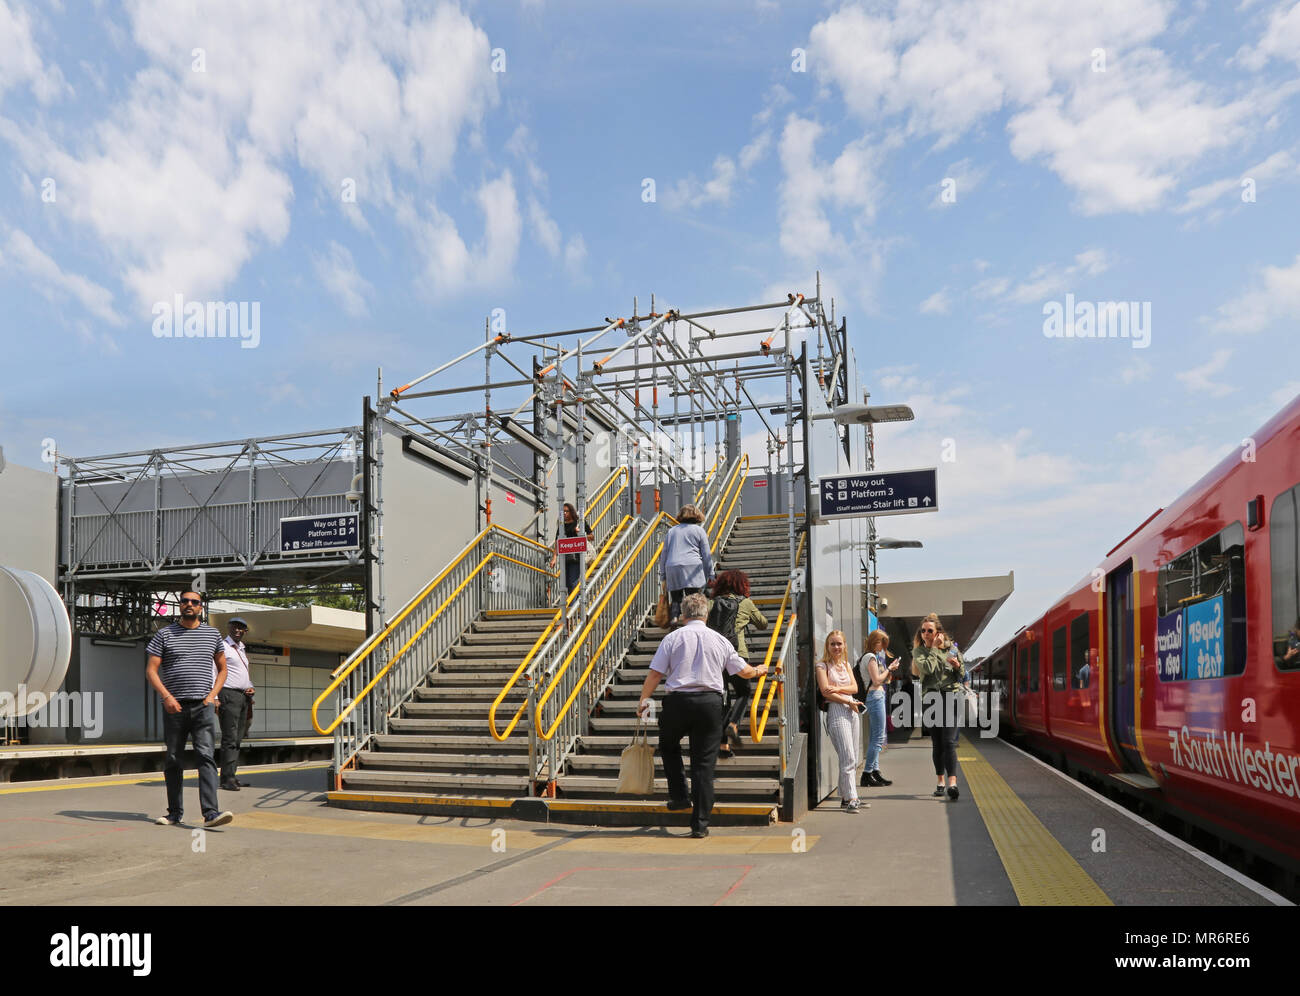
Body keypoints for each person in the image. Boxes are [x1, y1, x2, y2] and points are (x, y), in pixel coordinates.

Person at [636, 593, 768, 838]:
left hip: (677, 702)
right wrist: (759, 670)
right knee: (703, 765)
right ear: (706, 614)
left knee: (668, 746)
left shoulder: (672, 638)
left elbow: (655, 674)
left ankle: (679, 796)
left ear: (684, 614)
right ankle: (700, 824)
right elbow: (744, 671)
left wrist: (644, 701)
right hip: (710, 704)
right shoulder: (719, 640)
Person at [145, 591, 234, 828]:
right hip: (174, 706)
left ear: (200, 608)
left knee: (205, 756)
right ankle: (174, 813)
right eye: (185, 601)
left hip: (202, 706)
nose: (189, 605)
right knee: (173, 758)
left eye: (194, 602)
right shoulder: (164, 634)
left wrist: (212, 696)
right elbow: (151, 670)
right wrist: (166, 696)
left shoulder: (212, 634)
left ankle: (211, 813)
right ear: (180, 606)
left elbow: (223, 669)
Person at [707, 570, 768, 758]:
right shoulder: (745, 603)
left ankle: (723, 747)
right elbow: (763, 624)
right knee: (744, 692)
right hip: (737, 653)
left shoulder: (711, 603)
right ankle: (733, 724)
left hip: (715, 656)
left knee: (723, 697)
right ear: (742, 585)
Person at [913, 613, 964, 801]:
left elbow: (962, 673)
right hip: (931, 698)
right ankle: (940, 781)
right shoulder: (918, 652)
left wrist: (957, 665)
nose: (926, 633)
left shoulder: (952, 649)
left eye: (930, 631)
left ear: (938, 632)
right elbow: (927, 669)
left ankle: (953, 784)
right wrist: (933, 649)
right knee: (938, 743)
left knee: (949, 741)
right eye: (923, 631)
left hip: (950, 695)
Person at [816, 630, 867, 812]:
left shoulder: (846, 664)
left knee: (851, 755)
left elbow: (855, 687)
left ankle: (846, 797)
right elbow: (824, 691)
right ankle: (853, 798)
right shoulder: (821, 666)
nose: (836, 647)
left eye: (839, 643)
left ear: (844, 645)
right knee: (848, 757)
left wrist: (836, 688)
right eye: (833, 644)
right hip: (837, 711)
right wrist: (847, 699)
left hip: (852, 710)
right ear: (827, 646)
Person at [218, 617, 256, 791]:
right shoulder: (223, 646)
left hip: (243, 697)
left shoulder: (241, 648)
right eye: (235, 627)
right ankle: (226, 779)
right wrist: (215, 696)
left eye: (242, 628)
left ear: (245, 632)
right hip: (228, 694)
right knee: (230, 738)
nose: (238, 631)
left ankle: (232, 775)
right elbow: (214, 671)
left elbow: (242, 673)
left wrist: (249, 687)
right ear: (229, 627)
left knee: (239, 738)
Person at [659, 504, 713, 622]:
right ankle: (692, 619)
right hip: (692, 567)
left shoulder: (671, 531)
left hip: (672, 567)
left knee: (676, 597)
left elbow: (664, 554)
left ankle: (674, 616)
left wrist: (663, 574)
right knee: (693, 598)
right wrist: (711, 573)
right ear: (696, 515)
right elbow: (706, 554)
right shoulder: (699, 531)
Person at [860, 629, 899, 787]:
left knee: (875, 737)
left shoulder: (870, 656)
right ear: (875, 641)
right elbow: (876, 681)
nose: (883, 647)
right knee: (878, 738)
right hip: (875, 697)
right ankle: (867, 773)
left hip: (875, 697)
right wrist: (889, 669)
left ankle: (875, 771)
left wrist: (889, 670)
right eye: (881, 643)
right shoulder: (870, 657)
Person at [549, 502, 593, 594]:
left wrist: (580, 533)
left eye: (566, 511)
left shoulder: (580, 523)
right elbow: (557, 542)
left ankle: (572, 606)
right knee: (567, 583)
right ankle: (575, 602)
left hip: (577, 557)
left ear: (571, 512)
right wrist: (554, 558)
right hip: (565, 557)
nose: (564, 513)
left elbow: (591, 537)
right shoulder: (562, 526)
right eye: (563, 512)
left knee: (573, 581)